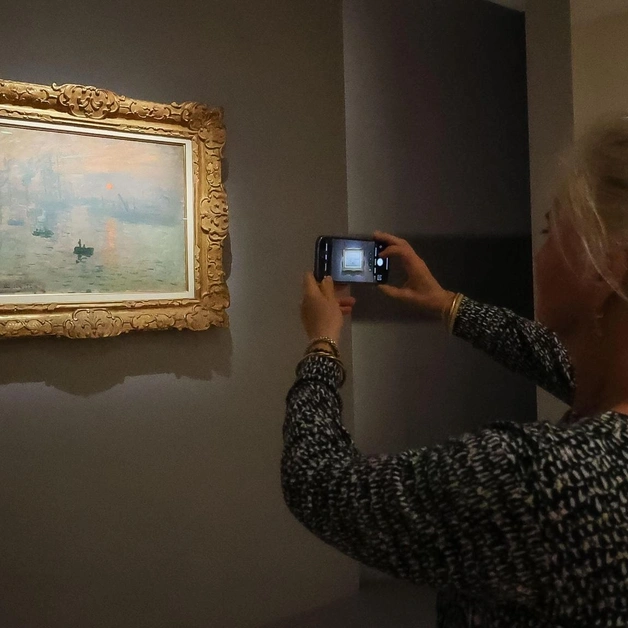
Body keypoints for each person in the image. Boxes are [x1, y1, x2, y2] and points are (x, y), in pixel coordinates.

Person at [281, 117, 628, 627]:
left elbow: (321, 485)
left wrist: (321, 345)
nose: (539, 254)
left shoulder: (538, 478)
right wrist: (445, 303)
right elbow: (547, 357)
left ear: (606, 267)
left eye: (552, 231)